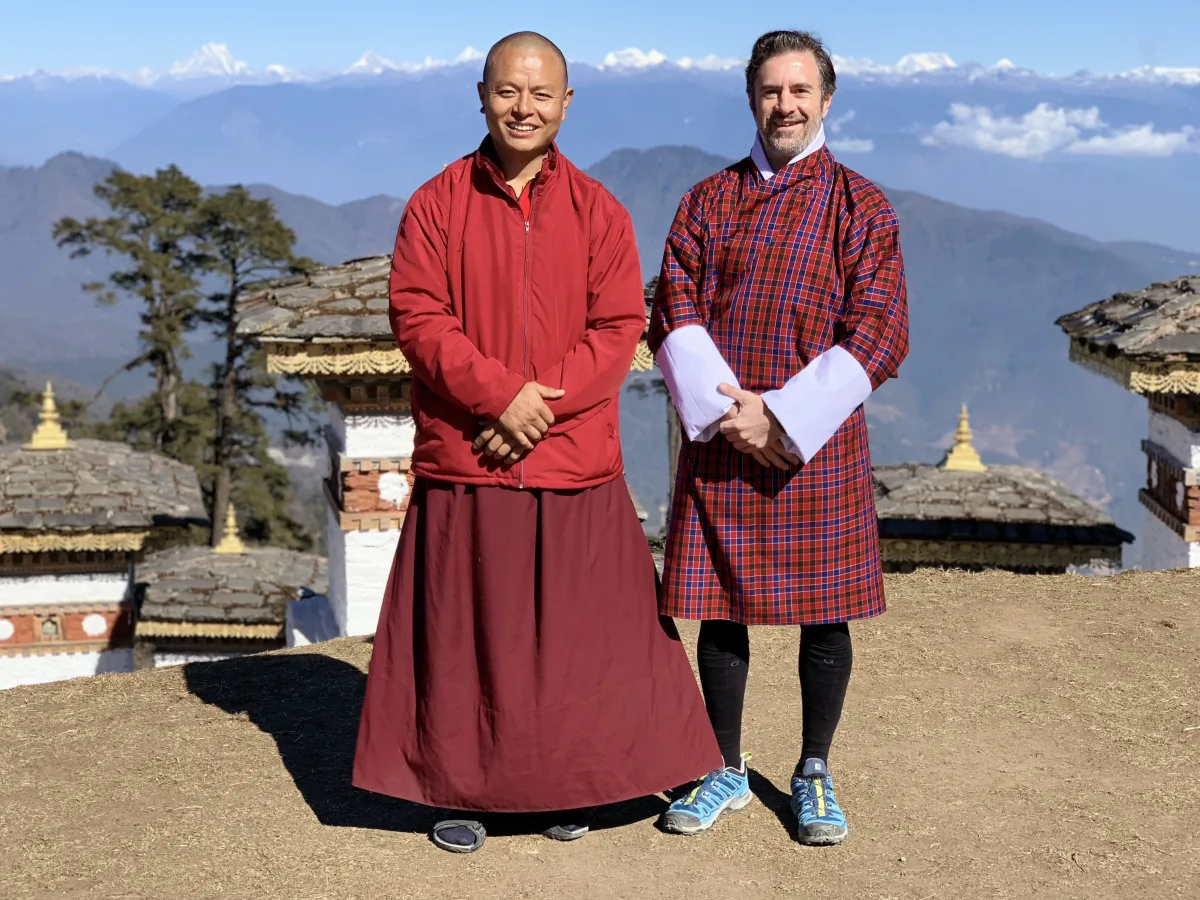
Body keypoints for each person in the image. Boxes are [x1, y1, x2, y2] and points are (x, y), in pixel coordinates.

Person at [352, 30, 722, 854]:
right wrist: (498, 396)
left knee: (570, 647)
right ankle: (458, 789)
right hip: (470, 450)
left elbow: (621, 322)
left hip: (567, 456)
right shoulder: (438, 202)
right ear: (481, 95)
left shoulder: (599, 211)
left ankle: (563, 782)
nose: (524, 108)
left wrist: (536, 409)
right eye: (508, 92)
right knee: (465, 639)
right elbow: (417, 316)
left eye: (541, 94)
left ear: (567, 104)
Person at [649, 29, 910, 845]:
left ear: (827, 100)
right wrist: (735, 415)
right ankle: (722, 766)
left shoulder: (860, 205)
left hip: (815, 444)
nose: (785, 105)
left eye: (801, 91)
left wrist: (784, 419)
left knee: (823, 615)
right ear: (751, 98)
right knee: (719, 612)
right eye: (771, 90)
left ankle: (814, 772)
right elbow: (674, 306)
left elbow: (881, 328)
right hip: (722, 432)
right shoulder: (705, 199)